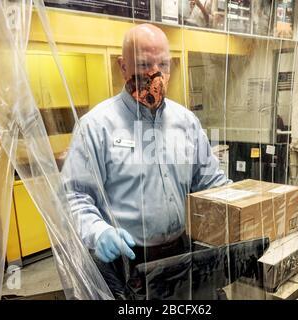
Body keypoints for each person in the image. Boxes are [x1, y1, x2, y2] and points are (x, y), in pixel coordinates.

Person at [61, 23, 231, 299]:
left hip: (180, 253)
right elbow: (74, 196)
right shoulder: (96, 127)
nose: (155, 73)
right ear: (123, 66)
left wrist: (242, 202)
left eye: (163, 63)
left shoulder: (185, 122)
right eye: (143, 63)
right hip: (126, 264)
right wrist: (98, 231)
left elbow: (211, 183)